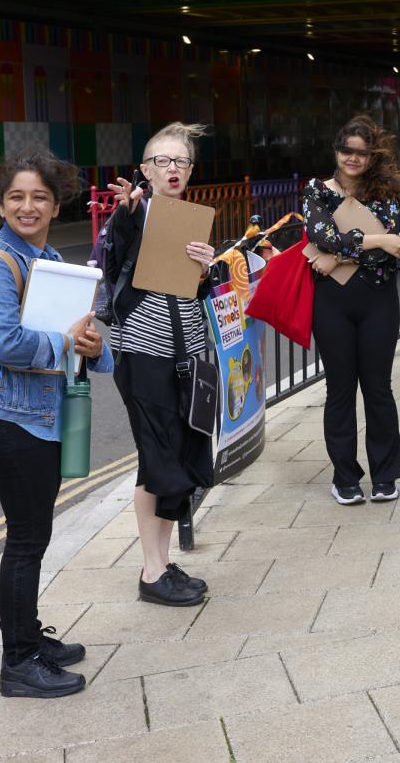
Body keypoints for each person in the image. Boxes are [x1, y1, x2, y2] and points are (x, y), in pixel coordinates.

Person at [0, 148, 111, 698]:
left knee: (35, 536)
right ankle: (18, 662)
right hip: (4, 420)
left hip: (38, 418)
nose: (28, 206)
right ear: (1, 205)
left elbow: (80, 340)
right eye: (17, 197)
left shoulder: (47, 261)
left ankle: (28, 637)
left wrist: (90, 345)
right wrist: (69, 339)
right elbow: (2, 343)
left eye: (40, 197)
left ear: (55, 205)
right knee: (25, 540)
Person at [105, 122, 218, 609]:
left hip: (187, 356)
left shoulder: (191, 220)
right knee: (156, 461)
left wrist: (206, 268)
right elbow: (112, 260)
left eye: (182, 162)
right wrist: (127, 213)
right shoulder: (131, 213)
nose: (173, 169)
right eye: (162, 161)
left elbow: (191, 292)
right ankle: (152, 572)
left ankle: (163, 561)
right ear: (145, 170)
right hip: (144, 356)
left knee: (178, 455)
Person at [304, 115, 400, 504]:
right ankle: (344, 477)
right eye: (347, 150)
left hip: (378, 301)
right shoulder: (316, 190)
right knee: (340, 392)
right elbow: (321, 236)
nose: (353, 158)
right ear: (337, 151)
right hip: (331, 304)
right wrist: (377, 239)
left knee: (379, 389)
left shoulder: (386, 193)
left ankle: (385, 475)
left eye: (361, 153)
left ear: (371, 157)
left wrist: (337, 257)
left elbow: (392, 252)